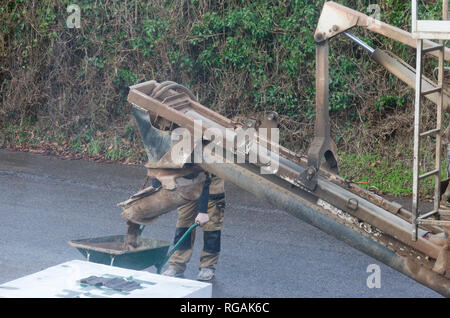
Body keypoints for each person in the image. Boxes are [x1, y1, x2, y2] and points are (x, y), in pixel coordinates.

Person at [162, 173, 225, 281]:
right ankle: (177, 265)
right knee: (183, 225)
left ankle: (207, 266)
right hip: (187, 185)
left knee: (211, 228)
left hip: (210, 185)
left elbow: (203, 177)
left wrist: (202, 212)